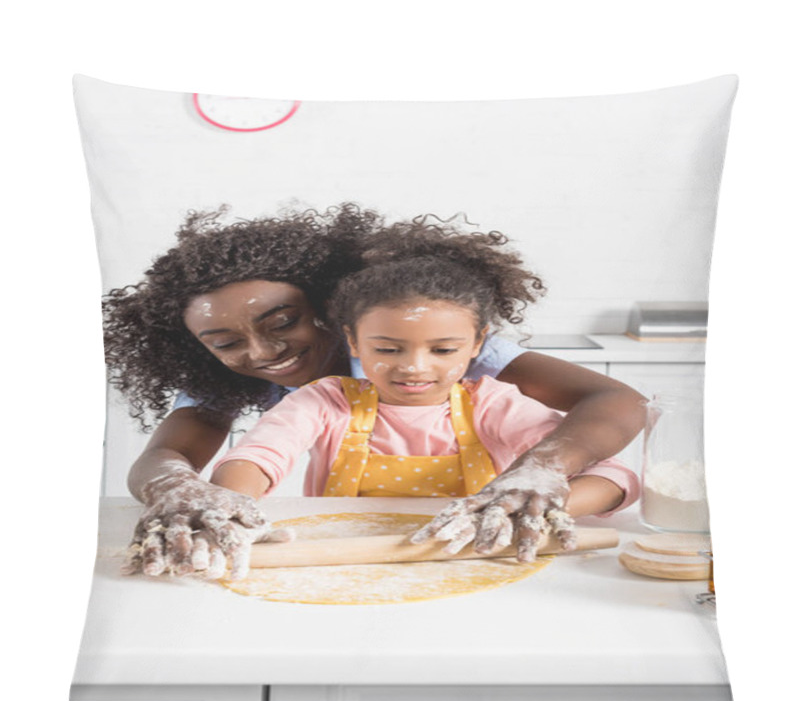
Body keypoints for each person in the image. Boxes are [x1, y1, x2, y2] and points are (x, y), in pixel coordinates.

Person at [103, 204, 646, 580]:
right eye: (225, 342)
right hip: (352, 554)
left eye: (284, 322)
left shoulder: (441, 353)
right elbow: (184, 460)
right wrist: (191, 495)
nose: (263, 353)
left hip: (477, 554)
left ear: (331, 309)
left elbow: (617, 404)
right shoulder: (320, 400)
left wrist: (540, 476)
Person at [211, 256, 640, 576]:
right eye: (387, 349)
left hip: (476, 559)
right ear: (354, 343)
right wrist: (231, 508)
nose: (414, 367)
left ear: (477, 344)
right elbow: (257, 456)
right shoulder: (326, 401)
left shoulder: (492, 403)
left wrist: (528, 507)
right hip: (344, 563)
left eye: (443, 350)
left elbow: (614, 478)